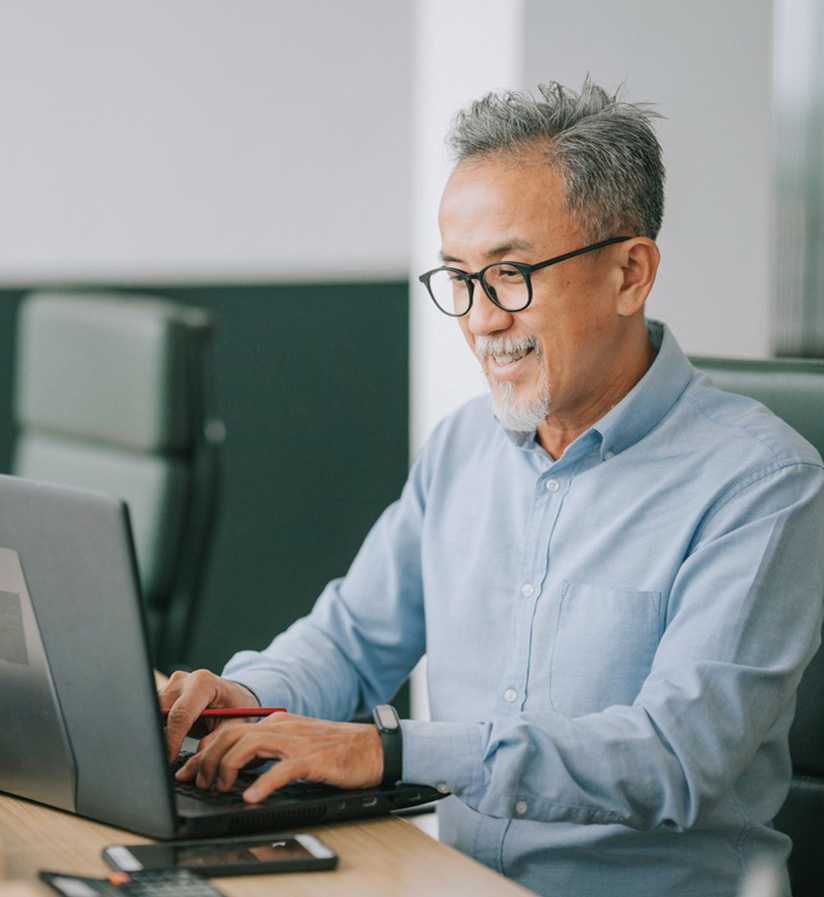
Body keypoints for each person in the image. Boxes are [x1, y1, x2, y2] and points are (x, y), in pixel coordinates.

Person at [161, 79, 824, 897]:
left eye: (511, 274)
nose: (479, 319)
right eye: (458, 278)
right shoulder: (464, 446)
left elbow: (673, 756)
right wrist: (240, 700)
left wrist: (390, 749)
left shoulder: (761, 480)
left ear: (630, 272)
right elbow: (348, 639)